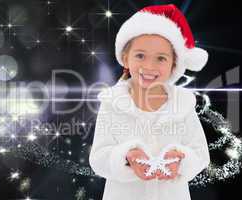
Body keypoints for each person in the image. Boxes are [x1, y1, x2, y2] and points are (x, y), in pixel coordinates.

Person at [89, 4, 210, 200]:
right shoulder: (112, 103)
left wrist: (180, 159)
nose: (149, 66)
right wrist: (127, 156)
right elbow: (98, 158)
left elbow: (200, 154)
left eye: (161, 58)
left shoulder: (183, 104)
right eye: (140, 55)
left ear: (173, 65)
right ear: (126, 59)